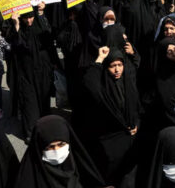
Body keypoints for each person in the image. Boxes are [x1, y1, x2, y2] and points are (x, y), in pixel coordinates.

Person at [81, 47, 140, 186]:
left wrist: (136, 124)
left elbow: (137, 108)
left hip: (130, 141)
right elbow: (89, 82)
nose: (117, 70)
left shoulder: (128, 83)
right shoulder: (102, 88)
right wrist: (100, 58)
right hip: (110, 142)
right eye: (113, 66)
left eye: (120, 65)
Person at [14, 115, 106, 188]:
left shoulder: (80, 167)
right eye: (50, 147)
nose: (56, 151)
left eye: (61, 145)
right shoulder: (28, 179)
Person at [7, 3, 55, 139]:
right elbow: (16, 47)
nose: (29, 21)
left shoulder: (39, 26)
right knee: (29, 104)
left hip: (42, 72)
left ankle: (46, 130)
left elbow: (48, 37)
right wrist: (16, 25)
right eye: (25, 18)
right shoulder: (16, 29)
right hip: (25, 74)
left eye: (31, 17)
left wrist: (40, 13)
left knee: (44, 102)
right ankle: (31, 133)